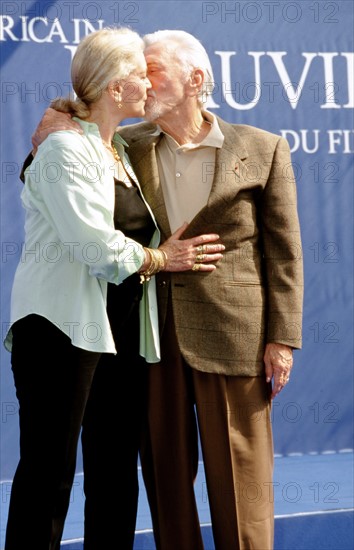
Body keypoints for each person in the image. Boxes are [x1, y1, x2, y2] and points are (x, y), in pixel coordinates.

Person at [31, 29, 303, 550]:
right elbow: (63, 155)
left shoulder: (264, 148)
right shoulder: (125, 145)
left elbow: (285, 254)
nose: (140, 79)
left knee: (244, 491)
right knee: (166, 486)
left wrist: (282, 339)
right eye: (134, 69)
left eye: (151, 68)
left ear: (195, 79)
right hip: (150, 338)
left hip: (237, 337)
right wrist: (50, 125)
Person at [4, 28, 224, 550]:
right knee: (49, 475)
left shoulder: (122, 148)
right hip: (58, 331)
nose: (150, 84)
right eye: (140, 74)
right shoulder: (64, 148)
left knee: (114, 473)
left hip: (118, 335)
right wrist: (160, 258)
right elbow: (94, 247)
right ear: (112, 85)